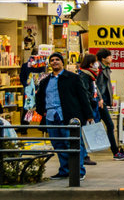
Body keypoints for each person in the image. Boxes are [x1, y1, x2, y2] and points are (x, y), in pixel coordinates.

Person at [32, 52, 94, 180]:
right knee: (58, 145)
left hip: (68, 117)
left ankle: (78, 171)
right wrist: (41, 110)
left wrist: (88, 114)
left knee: (73, 144)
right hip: (51, 117)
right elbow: (39, 98)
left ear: (62, 62)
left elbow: (83, 97)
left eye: (57, 60)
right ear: (50, 64)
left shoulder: (73, 78)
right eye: (52, 60)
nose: (55, 62)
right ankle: (65, 170)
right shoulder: (45, 81)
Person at [95, 49, 124, 160]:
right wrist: (99, 99)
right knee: (108, 125)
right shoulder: (98, 68)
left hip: (101, 101)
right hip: (98, 102)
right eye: (109, 56)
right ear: (103, 58)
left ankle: (115, 152)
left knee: (102, 125)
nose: (111, 58)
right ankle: (115, 153)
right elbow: (95, 86)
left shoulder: (105, 68)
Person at [77, 54, 102, 166]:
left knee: (86, 131)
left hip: (93, 104)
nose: (97, 64)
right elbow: (85, 92)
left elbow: (94, 89)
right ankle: (83, 156)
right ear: (91, 63)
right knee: (83, 132)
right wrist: (91, 102)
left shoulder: (91, 75)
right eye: (95, 62)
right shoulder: (84, 75)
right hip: (88, 106)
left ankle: (85, 155)